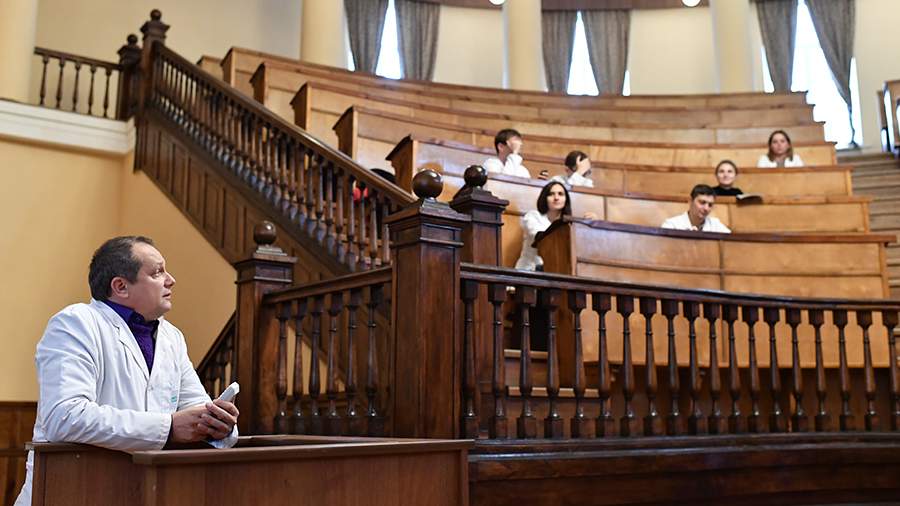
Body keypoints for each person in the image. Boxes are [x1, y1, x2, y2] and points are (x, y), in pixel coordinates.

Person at [15, 236, 239, 506]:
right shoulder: (75, 323)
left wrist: (217, 424)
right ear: (121, 287)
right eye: (157, 272)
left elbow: (195, 405)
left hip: (140, 490)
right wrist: (168, 427)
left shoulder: (172, 337)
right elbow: (64, 417)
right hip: (70, 489)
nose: (171, 280)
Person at [515, 181, 572, 271]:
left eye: (560, 194)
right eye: (551, 194)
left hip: (556, 271)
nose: (556, 198)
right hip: (529, 270)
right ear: (544, 198)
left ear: (566, 199)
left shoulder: (568, 224)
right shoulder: (533, 216)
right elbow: (539, 237)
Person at [661, 184, 731, 233]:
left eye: (710, 205)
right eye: (702, 202)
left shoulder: (715, 224)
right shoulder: (672, 225)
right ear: (690, 201)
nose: (706, 208)